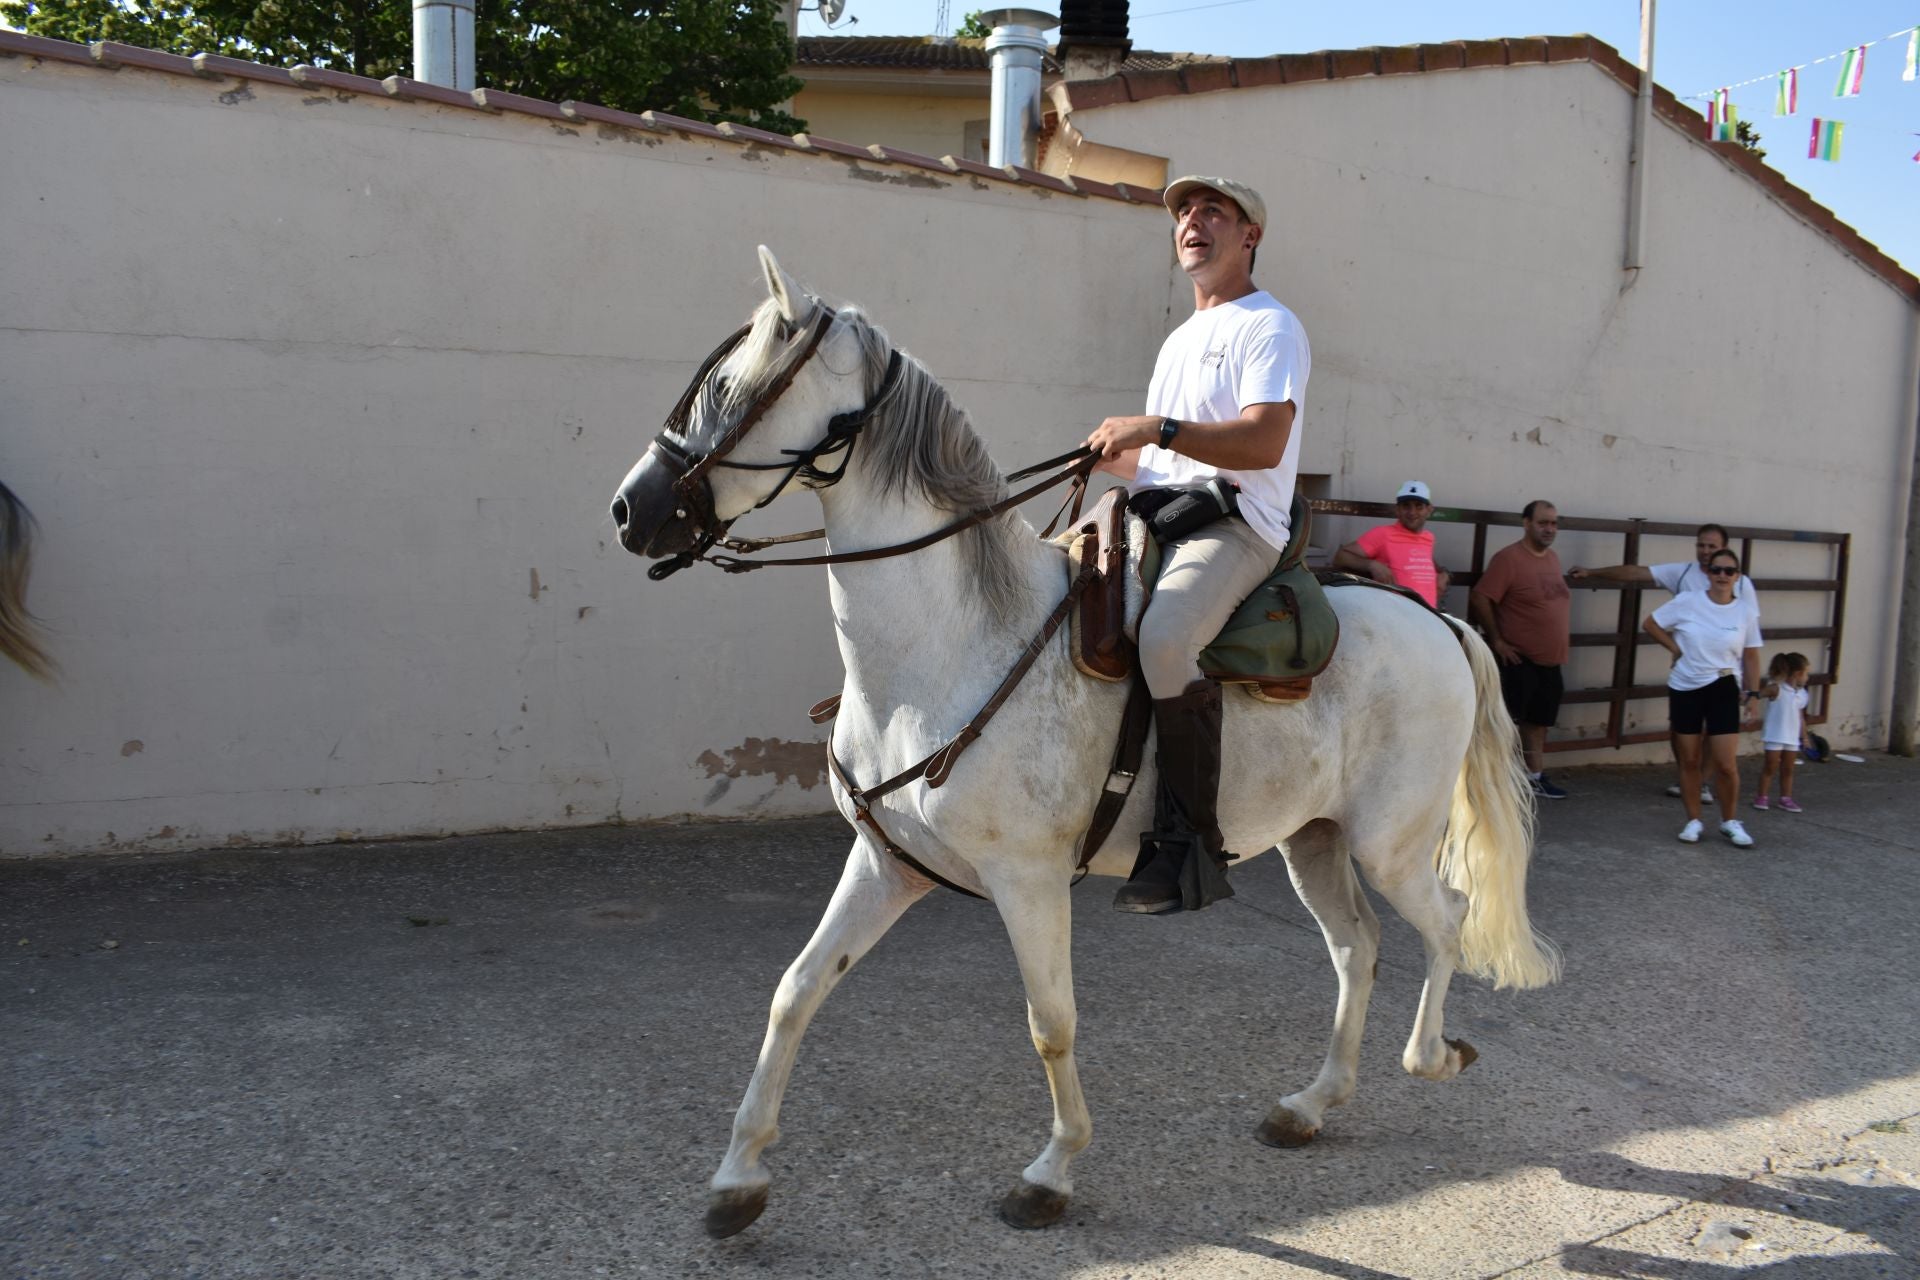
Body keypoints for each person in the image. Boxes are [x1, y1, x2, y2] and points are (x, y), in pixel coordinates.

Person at [1083, 175, 1310, 915]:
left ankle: (1189, 846)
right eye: (1184, 211)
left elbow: (1264, 442)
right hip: (1164, 513)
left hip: (1238, 523)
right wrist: (1110, 458)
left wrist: (1156, 428)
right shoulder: (1179, 339)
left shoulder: (1270, 326)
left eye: (1214, 211)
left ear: (1250, 235)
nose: (1192, 221)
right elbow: (1165, 463)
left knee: (1166, 638)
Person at [1570, 523, 1759, 804]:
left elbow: (1751, 634)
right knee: (1682, 728)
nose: (1705, 551)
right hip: (1688, 671)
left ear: (1725, 550)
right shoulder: (1682, 573)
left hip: (1724, 672)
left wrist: (1752, 688)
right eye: (1701, 545)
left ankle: (1702, 782)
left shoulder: (1741, 584)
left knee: (1716, 731)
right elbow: (1637, 572)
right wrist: (1593, 572)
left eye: (1712, 546)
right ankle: (1687, 775)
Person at [1642, 547, 1763, 848]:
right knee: (1690, 759)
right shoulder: (1688, 601)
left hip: (1723, 685)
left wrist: (1754, 693)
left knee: (1726, 763)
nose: (1722, 575)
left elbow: (1751, 655)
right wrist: (1675, 648)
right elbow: (1651, 624)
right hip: (1685, 686)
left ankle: (1730, 821)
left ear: (1737, 576)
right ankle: (1693, 820)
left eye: (1729, 571)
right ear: (1707, 573)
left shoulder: (1745, 612)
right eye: (1716, 569)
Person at [1469, 500, 1571, 800]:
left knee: (1538, 723)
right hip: (1518, 659)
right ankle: (1489, 782)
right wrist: (1497, 640)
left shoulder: (1552, 559)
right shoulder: (1509, 559)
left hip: (1550, 661)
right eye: (1543, 523)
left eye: (1553, 523)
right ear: (1526, 524)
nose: (1549, 529)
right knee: (1502, 722)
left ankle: (1533, 777)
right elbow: (1480, 597)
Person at [1333, 481, 1451, 607]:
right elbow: (1340, 557)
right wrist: (1372, 565)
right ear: (1397, 509)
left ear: (1429, 510)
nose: (1412, 512)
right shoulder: (1383, 534)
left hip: (1429, 613)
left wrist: (1444, 574)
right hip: (1395, 613)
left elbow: (1423, 561)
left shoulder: (1428, 538)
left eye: (1419, 506)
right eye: (1406, 506)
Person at [1753, 652, 1812, 812]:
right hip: (1775, 735)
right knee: (1770, 766)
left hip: (1791, 737)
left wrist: (1804, 737)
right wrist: (1749, 697)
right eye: (1806, 673)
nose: (1807, 677)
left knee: (1788, 769)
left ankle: (1785, 798)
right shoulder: (1776, 688)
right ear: (1797, 674)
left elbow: (1800, 717)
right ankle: (1762, 796)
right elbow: (1758, 695)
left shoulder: (1802, 694)